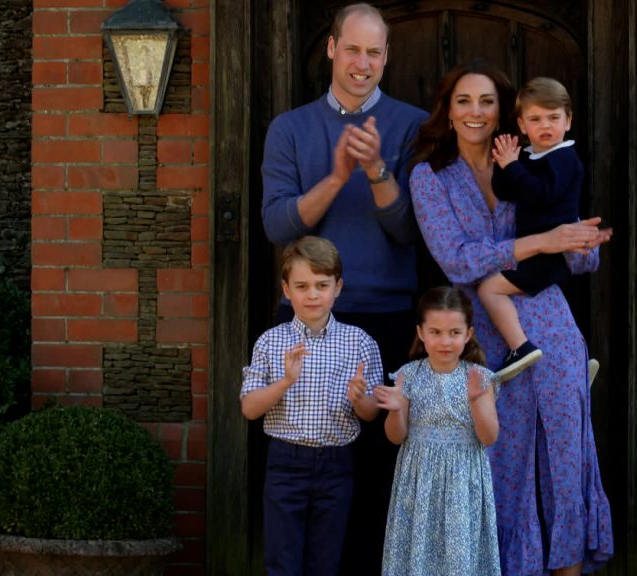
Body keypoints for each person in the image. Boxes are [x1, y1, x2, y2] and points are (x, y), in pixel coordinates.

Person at [408, 60, 615, 576]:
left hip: (551, 322)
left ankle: (569, 568)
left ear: (506, 113)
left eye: (486, 101)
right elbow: (456, 259)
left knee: (566, 459)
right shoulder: (429, 176)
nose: (475, 112)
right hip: (481, 335)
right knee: (500, 465)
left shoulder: (533, 158)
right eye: (464, 101)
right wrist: (543, 241)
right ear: (448, 112)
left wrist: (581, 242)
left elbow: (576, 252)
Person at [260, 4, 428, 571]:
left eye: (374, 52)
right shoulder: (290, 128)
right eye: (352, 49)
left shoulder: (413, 126)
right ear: (331, 48)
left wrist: (378, 169)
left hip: (385, 317)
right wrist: (336, 176)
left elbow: (409, 231)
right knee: (301, 472)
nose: (362, 63)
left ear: (386, 57)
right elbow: (279, 225)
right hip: (306, 320)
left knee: (378, 474)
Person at [240, 236, 382, 576]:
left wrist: (359, 398)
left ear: (338, 287)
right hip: (286, 462)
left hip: (336, 464)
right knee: (282, 560)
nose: (313, 295)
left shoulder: (359, 342)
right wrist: (285, 381)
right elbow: (249, 408)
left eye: (322, 285)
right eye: (302, 286)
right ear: (286, 290)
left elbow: (371, 413)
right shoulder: (271, 341)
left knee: (326, 560)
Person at [374, 286, 501, 576]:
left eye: (454, 333)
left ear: (468, 334)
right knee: (418, 553)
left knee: (459, 557)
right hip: (419, 480)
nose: (445, 341)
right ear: (421, 333)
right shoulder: (409, 374)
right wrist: (395, 409)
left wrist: (477, 402)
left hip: (462, 480)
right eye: (435, 332)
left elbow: (489, 437)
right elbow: (396, 436)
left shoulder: (480, 378)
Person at [480, 77, 584, 382]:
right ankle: (571, 363)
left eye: (554, 118)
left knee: (489, 289)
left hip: (549, 255)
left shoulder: (565, 158)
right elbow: (505, 191)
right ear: (522, 125)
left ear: (568, 120)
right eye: (535, 119)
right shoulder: (530, 156)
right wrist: (504, 164)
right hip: (534, 250)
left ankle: (520, 347)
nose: (545, 126)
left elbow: (541, 194)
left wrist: (514, 167)